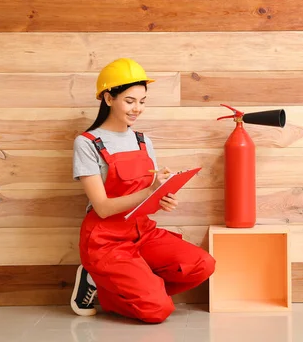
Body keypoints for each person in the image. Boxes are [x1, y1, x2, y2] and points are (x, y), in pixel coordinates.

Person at [69, 58, 215, 323]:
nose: (138, 109)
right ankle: (99, 280)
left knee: (203, 265)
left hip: (141, 231)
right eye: (130, 100)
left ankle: (134, 285)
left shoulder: (142, 140)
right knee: (157, 311)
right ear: (108, 98)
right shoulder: (87, 143)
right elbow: (102, 207)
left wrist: (164, 196)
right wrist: (150, 193)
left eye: (143, 101)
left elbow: (150, 191)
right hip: (106, 239)